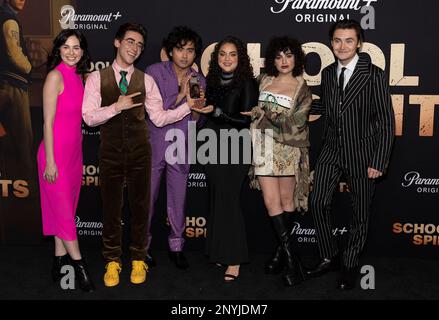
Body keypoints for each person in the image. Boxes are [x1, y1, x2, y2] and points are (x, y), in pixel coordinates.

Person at [82, 23, 199, 287]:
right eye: (130, 42)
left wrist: (186, 107)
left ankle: (138, 259)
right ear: (117, 42)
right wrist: (116, 107)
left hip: (140, 153)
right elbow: (89, 118)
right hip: (110, 153)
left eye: (139, 45)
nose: (134, 48)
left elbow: (158, 118)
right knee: (111, 210)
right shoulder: (96, 78)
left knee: (140, 209)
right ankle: (112, 261)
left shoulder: (146, 80)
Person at [307, 19, 395, 290]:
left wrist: (378, 160)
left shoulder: (375, 75)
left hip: (363, 153)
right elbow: (331, 109)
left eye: (348, 40)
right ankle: (330, 254)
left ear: (359, 43)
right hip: (331, 149)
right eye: (337, 40)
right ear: (331, 43)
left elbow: (387, 122)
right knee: (317, 202)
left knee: (359, 214)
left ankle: (349, 263)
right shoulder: (328, 73)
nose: (342, 46)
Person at [244, 36, 312, 286]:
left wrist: (263, 117)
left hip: (289, 150)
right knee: (271, 202)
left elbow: (296, 126)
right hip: (263, 149)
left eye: (289, 55)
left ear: (297, 58)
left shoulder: (302, 88)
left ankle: (280, 254)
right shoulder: (263, 81)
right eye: (278, 56)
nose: (284, 61)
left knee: (286, 202)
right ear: (272, 60)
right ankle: (293, 262)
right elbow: (248, 108)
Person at [37, 29, 94, 292]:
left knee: (65, 213)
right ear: (58, 49)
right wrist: (50, 161)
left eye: (77, 47)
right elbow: (47, 123)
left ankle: (58, 262)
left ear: (82, 51)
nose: (72, 52)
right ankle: (80, 268)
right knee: (65, 215)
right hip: (54, 155)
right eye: (67, 47)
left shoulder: (79, 78)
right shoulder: (54, 77)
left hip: (73, 156)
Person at [145, 25, 206, 270]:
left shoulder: (199, 79)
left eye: (190, 50)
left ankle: (177, 248)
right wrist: (181, 95)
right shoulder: (153, 72)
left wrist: (198, 110)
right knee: (147, 199)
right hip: (153, 142)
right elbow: (155, 112)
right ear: (170, 51)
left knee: (178, 200)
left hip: (181, 143)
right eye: (180, 49)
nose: (184, 55)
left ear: (195, 54)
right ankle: (142, 247)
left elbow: (195, 120)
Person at [200, 36, 258, 282]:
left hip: (236, 146)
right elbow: (207, 113)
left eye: (232, 54)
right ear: (216, 58)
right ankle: (218, 251)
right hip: (210, 143)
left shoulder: (247, 83)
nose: (226, 58)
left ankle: (234, 258)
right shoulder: (210, 81)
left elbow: (245, 121)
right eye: (222, 54)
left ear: (240, 57)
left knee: (230, 200)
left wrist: (217, 111)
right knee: (217, 199)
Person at [0, 0, 33, 180]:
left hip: (5, 83)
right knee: (23, 138)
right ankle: (27, 186)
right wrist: (29, 68)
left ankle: (12, 181)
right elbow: (14, 54)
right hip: (13, 85)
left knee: (8, 138)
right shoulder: (9, 18)